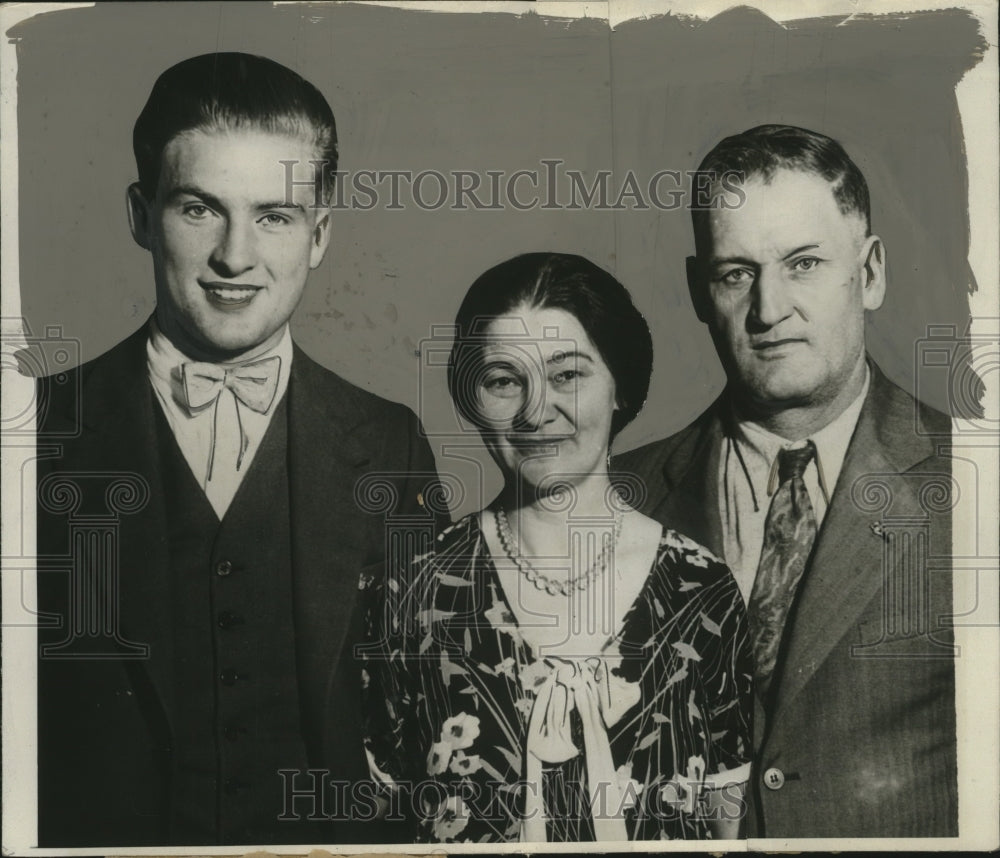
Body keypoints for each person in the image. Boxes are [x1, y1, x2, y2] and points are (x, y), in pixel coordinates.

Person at [35, 52, 440, 847]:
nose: (235, 256)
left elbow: (431, 721)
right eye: (198, 209)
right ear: (141, 215)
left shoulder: (390, 445)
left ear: (319, 234)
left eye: (275, 216)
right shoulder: (30, 432)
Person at [614, 125, 957, 837]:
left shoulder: (976, 482)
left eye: (802, 264)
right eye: (735, 274)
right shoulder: (618, 497)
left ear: (869, 274)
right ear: (699, 292)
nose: (768, 310)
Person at [361, 252, 752, 843]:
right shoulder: (409, 592)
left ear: (620, 385)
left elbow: (733, 827)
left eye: (567, 374)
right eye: (503, 380)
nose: (537, 411)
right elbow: (376, 830)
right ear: (471, 399)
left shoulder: (702, 591)